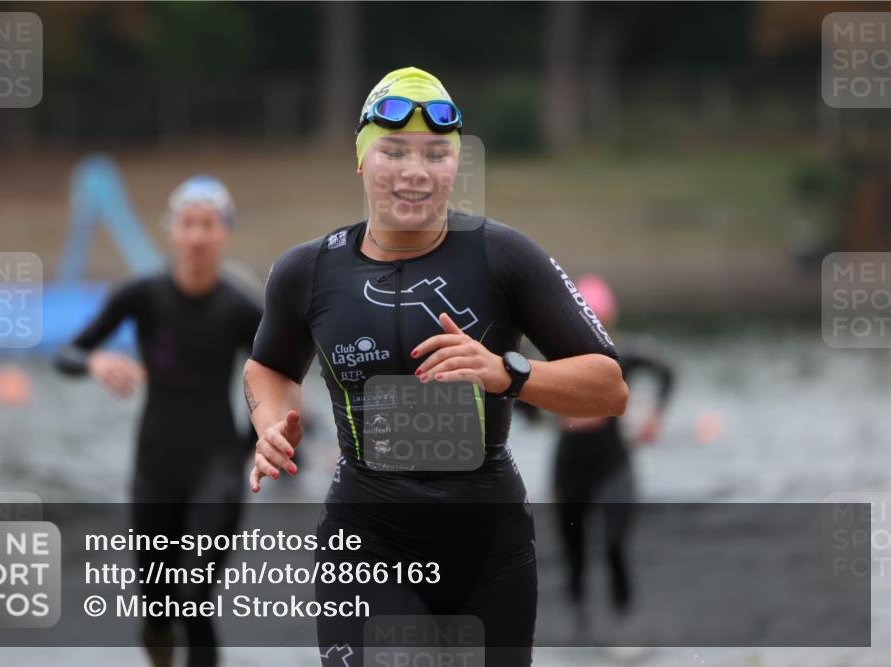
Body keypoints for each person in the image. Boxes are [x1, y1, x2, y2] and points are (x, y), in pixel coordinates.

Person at [243, 66, 628, 667]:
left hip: (489, 547)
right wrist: (270, 423)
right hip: (366, 538)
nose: (416, 172)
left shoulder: (505, 257)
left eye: (436, 155)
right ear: (363, 160)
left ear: (456, 166)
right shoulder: (309, 272)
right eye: (393, 151)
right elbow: (267, 368)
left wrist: (509, 373)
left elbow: (610, 389)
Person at [55, 175, 261, 667]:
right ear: (172, 231)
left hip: (218, 467)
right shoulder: (141, 295)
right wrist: (94, 362)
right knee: (157, 608)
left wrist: (246, 449)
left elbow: (276, 384)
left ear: (223, 233)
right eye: (188, 224)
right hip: (156, 468)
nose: (196, 236)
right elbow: (67, 353)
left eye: (207, 225)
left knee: (194, 597)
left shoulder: (242, 308)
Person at [551, 274, 674, 636]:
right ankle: (580, 623)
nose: (594, 330)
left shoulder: (625, 355)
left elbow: (667, 372)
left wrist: (655, 416)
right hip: (570, 463)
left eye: (601, 322)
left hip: (613, 460)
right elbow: (516, 385)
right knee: (573, 548)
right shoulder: (555, 357)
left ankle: (624, 620)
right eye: (587, 321)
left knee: (615, 543)